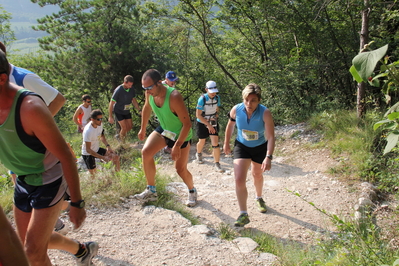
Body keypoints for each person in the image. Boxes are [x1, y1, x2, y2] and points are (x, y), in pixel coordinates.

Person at [0, 50, 98, 266]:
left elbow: (65, 155)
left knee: (32, 251)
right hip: (23, 178)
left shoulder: (30, 108)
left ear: (2, 79)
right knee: (29, 247)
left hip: (49, 179)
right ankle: (81, 250)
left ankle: (82, 250)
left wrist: (77, 202)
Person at [135, 69, 197, 207]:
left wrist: (176, 146)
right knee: (146, 152)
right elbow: (146, 107)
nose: (147, 91)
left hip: (181, 134)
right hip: (165, 129)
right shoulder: (149, 92)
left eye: (149, 87)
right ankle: (151, 190)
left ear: (159, 83)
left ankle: (192, 190)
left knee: (180, 169)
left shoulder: (174, 96)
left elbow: (187, 124)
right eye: (144, 88)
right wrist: (143, 128)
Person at [223, 83, 275, 227]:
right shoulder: (236, 109)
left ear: (259, 101)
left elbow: (271, 137)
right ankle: (243, 214)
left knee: (257, 174)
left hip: (259, 147)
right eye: (246, 100)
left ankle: (259, 197)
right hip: (242, 146)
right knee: (239, 179)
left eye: (253, 100)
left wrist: (268, 156)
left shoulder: (265, 113)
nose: (249, 103)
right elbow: (230, 125)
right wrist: (226, 142)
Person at [195, 80, 224, 172]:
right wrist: (208, 124)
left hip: (212, 121)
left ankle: (217, 163)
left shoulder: (217, 98)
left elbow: (217, 108)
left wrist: (215, 116)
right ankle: (199, 154)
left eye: (215, 91)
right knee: (202, 141)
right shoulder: (202, 99)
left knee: (215, 143)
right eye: (212, 91)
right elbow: (198, 115)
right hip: (202, 122)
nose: (213, 93)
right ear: (206, 89)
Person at [82, 109, 120, 176]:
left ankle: (117, 176)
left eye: (101, 118)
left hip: (96, 149)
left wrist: (108, 146)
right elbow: (88, 150)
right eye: (98, 119)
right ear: (92, 119)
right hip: (88, 153)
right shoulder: (88, 131)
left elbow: (102, 136)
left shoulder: (100, 124)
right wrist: (102, 157)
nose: (100, 121)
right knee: (93, 175)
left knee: (115, 157)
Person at [108, 75, 141, 143]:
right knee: (124, 128)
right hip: (118, 111)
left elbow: (134, 100)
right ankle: (122, 143)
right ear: (125, 82)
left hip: (126, 111)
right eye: (129, 85)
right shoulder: (118, 90)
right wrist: (110, 116)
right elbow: (111, 103)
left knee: (129, 127)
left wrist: (139, 110)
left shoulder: (132, 89)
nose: (130, 86)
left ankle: (119, 136)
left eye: (131, 85)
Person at [161, 71, 179, 154]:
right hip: (162, 111)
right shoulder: (161, 86)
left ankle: (168, 146)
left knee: (172, 128)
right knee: (168, 128)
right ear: (166, 79)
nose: (173, 82)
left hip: (170, 110)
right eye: (171, 80)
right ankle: (166, 146)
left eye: (174, 80)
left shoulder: (172, 86)